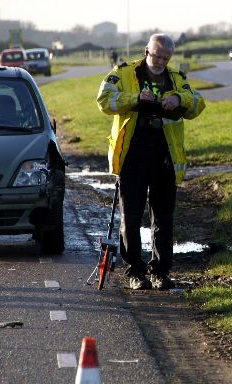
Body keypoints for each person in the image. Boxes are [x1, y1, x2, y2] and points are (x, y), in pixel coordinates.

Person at [96, 34, 205, 290]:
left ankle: (160, 272)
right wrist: (135, 99)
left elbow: (197, 104)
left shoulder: (176, 78)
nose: (160, 61)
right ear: (147, 50)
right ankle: (135, 272)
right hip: (132, 156)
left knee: (163, 218)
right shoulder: (123, 73)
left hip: (164, 159)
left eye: (166, 58)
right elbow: (104, 101)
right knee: (131, 218)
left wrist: (179, 99)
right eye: (157, 56)